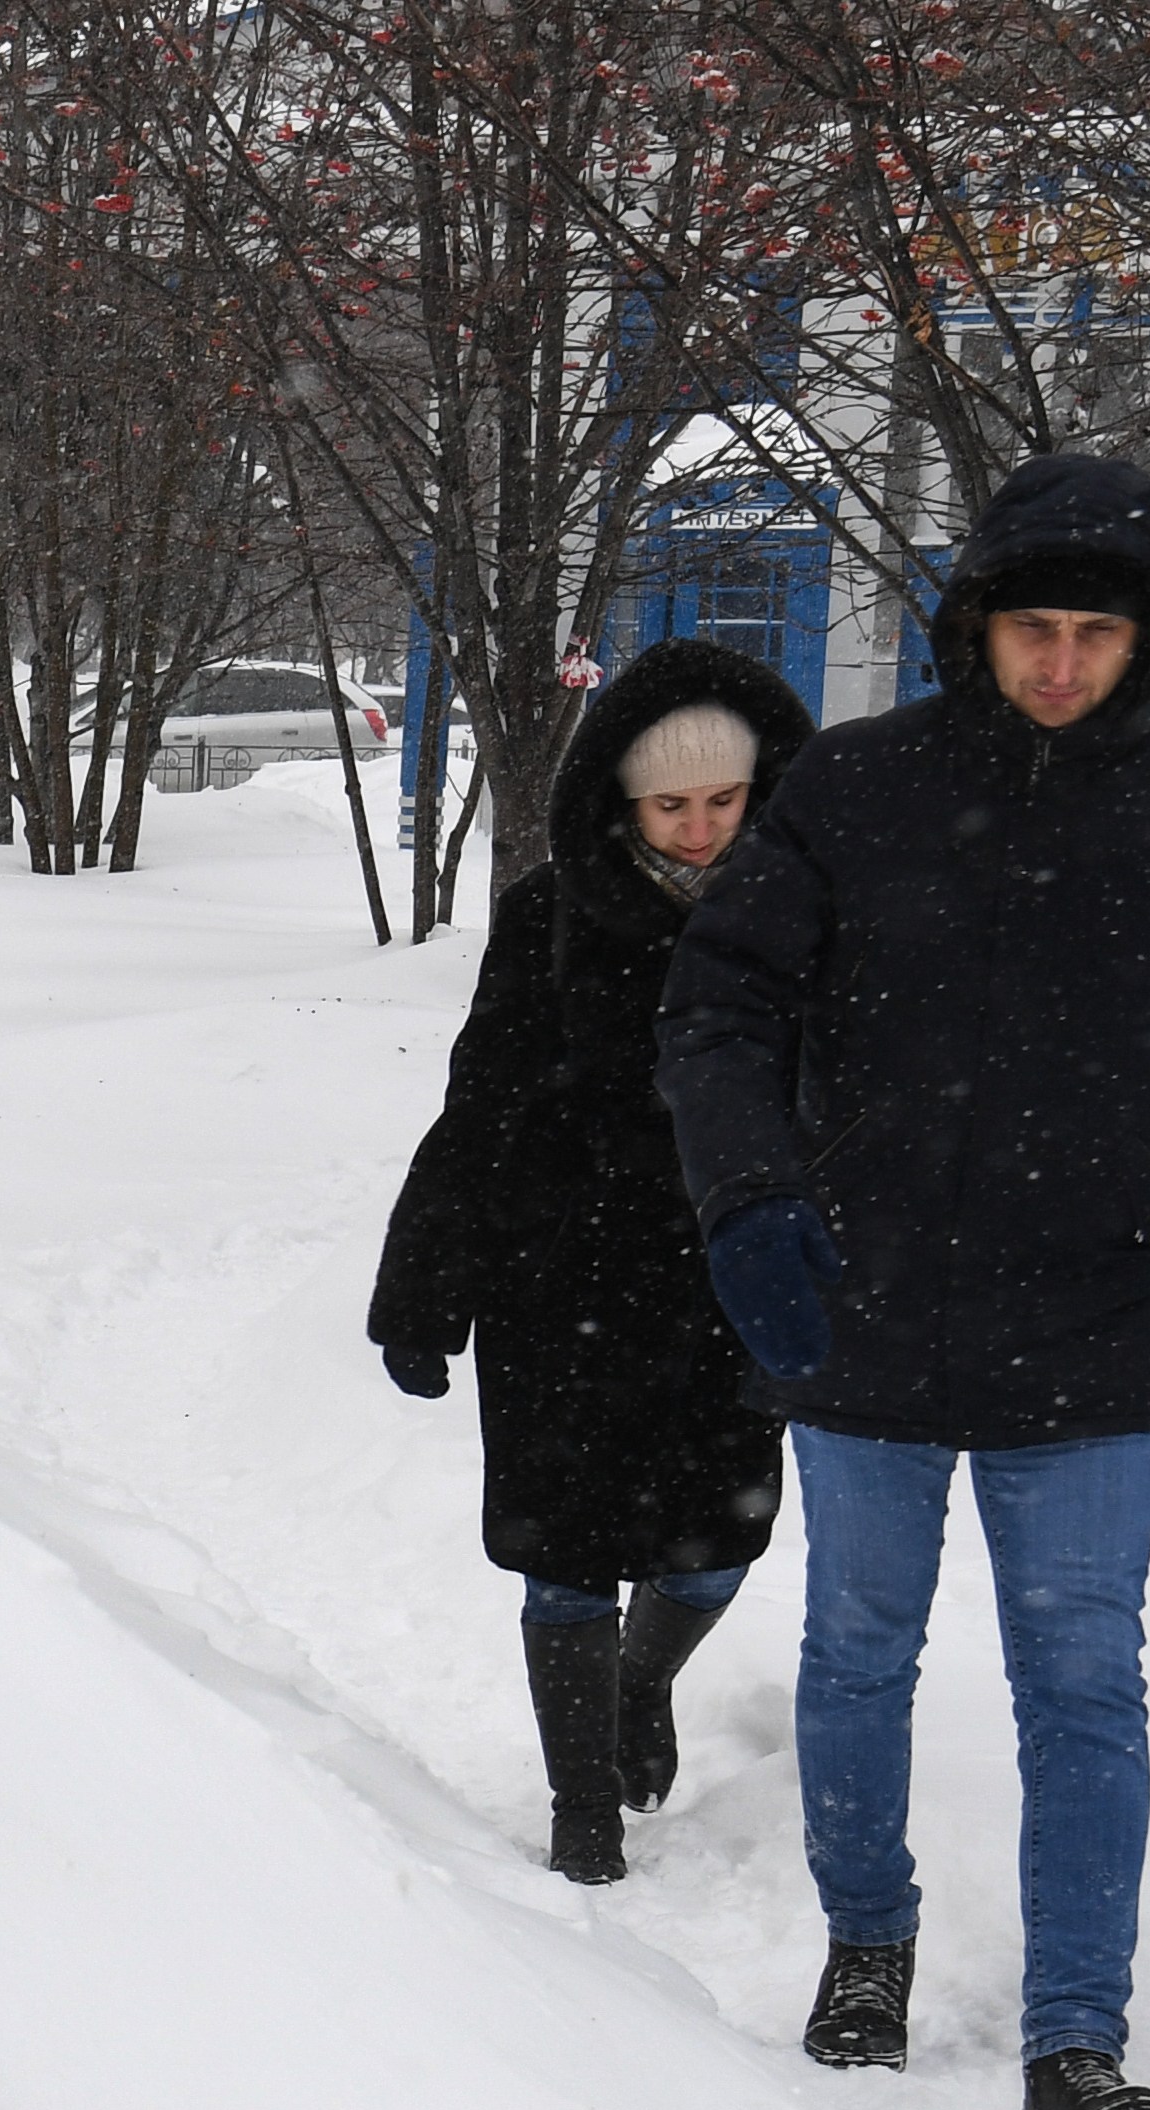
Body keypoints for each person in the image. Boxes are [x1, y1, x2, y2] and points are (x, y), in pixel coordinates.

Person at [658, 451, 1150, 2110]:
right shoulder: (858, 792)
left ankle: (1075, 2052)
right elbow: (719, 1000)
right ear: (978, 623)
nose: (1056, 664)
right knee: (861, 1646)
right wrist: (750, 1194)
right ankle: (868, 1940)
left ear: (1146, 638)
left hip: (1094, 1315)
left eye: (1090, 635)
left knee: (1085, 1679)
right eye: (1029, 627)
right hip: (866, 1305)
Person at [373, 637, 815, 1886]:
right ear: (623, 801)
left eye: (721, 801)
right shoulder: (547, 914)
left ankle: (639, 1683)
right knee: (560, 1551)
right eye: (669, 804)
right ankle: (581, 1806)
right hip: (554, 1273)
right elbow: (484, 1100)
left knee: (718, 1543)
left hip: (726, 1278)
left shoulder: (803, 917)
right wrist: (426, 1289)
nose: (695, 827)